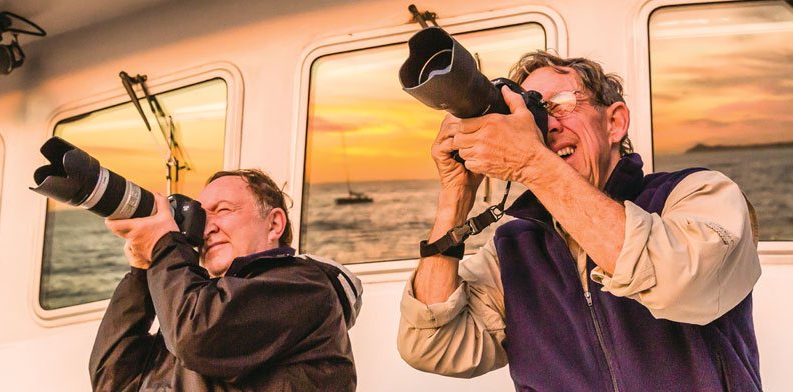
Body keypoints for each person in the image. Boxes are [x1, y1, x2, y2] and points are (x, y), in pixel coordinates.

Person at [397, 51, 762, 391]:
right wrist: (455, 197)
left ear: (615, 122)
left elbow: (676, 280)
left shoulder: (698, 194)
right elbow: (432, 344)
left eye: (561, 105)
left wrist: (532, 163)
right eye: (533, 113)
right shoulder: (512, 251)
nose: (548, 126)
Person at [90, 169, 362, 391]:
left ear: (274, 224)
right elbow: (112, 380)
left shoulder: (304, 288)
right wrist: (142, 270)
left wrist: (164, 243)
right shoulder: (200, 307)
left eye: (223, 210)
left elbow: (195, 336)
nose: (207, 228)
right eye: (201, 217)